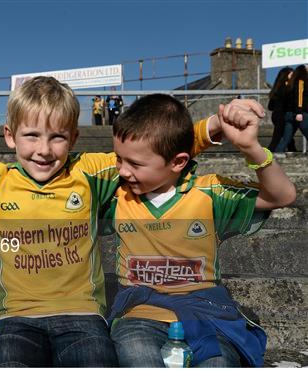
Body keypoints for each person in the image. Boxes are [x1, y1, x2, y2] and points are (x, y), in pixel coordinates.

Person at [0, 77, 260, 367]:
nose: (43, 149)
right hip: (13, 319)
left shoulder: (91, 171)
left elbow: (154, 153)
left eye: (57, 136)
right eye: (32, 136)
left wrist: (216, 125)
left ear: (73, 139)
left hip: (82, 316)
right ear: (10, 136)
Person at [104, 94, 296, 367]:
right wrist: (215, 124)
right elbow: (154, 147)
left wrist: (251, 148)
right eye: (119, 159)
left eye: (134, 164)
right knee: (136, 355)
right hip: (139, 315)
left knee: (218, 362)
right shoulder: (117, 196)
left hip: (207, 314)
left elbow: (283, 196)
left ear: (178, 162)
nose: (122, 171)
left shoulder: (210, 192)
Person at [276, 64, 308, 153]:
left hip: (289, 114)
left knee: (286, 138)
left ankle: (277, 155)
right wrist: (299, 112)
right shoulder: (300, 82)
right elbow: (299, 97)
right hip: (299, 114)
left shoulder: (290, 83)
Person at [268, 67, 296, 152]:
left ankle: (293, 150)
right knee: (277, 138)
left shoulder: (276, 88)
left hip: (275, 115)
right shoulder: (286, 88)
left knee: (287, 135)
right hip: (281, 116)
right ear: (286, 76)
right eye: (291, 75)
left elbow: (270, 106)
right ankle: (267, 154)